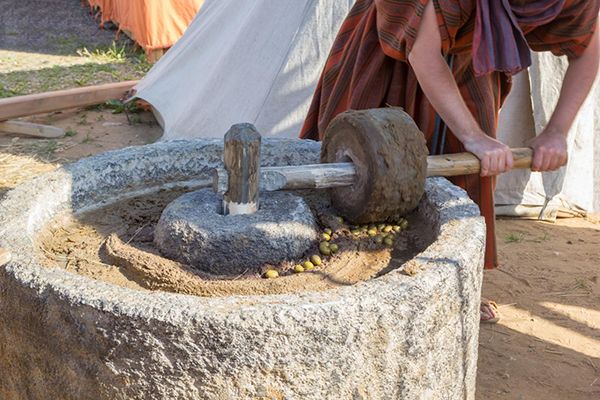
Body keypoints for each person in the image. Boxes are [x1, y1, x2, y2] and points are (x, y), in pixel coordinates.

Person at [299, 0, 600, 322]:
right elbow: (422, 52)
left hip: (473, 60)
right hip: (391, 52)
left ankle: (456, 278)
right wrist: (473, 136)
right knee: (368, 165)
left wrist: (556, 132)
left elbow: (589, 47)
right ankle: (353, 274)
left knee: (471, 176)